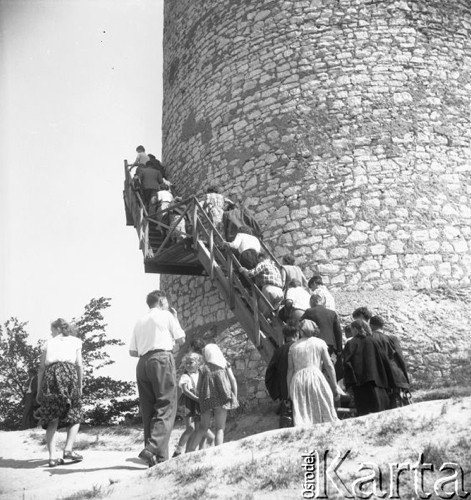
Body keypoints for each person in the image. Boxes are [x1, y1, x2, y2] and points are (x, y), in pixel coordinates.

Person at [129, 290, 186, 466]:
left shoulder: (140, 321)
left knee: (150, 411)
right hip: (161, 359)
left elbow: (132, 351)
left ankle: (157, 460)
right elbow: (181, 339)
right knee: (167, 405)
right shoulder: (166, 315)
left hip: (142, 363)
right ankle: (152, 448)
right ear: (161, 300)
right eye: (166, 301)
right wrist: (174, 318)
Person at [36, 318, 83, 467]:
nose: (51, 333)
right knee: (75, 414)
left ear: (57, 329)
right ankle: (68, 449)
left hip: (51, 377)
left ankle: (52, 458)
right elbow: (79, 365)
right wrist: (80, 385)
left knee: (52, 418)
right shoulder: (76, 341)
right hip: (69, 375)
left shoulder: (48, 343)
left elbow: (42, 368)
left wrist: (39, 390)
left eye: (52, 330)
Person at [287, 319, 339, 426]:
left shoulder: (293, 347)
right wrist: (334, 386)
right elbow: (329, 365)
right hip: (315, 376)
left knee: (303, 411)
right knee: (324, 403)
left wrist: (289, 391)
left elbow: (290, 370)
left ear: (300, 331)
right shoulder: (319, 343)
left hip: (298, 379)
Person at [188, 344, 238, 450]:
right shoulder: (225, 365)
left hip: (206, 400)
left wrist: (200, 399)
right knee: (220, 428)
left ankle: (190, 451)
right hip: (222, 399)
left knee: (202, 428)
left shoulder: (203, 368)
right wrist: (235, 397)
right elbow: (233, 380)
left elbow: (198, 387)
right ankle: (218, 452)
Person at [342, 319, 393, 416]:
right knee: (380, 413)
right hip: (377, 382)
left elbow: (347, 363)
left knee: (364, 414)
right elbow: (384, 359)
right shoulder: (373, 341)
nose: (351, 332)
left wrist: (349, 383)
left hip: (359, 384)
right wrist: (388, 380)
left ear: (356, 329)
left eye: (352, 330)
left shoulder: (351, 343)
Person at [173, 353, 215, 457]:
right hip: (189, 403)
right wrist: (197, 399)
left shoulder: (200, 374)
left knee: (199, 427)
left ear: (198, 363)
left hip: (197, 403)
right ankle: (178, 450)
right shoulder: (185, 376)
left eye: (191, 362)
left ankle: (198, 449)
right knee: (190, 428)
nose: (188, 365)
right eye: (186, 363)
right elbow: (185, 390)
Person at [369, 315, 411, 408]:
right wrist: (406, 379)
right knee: (399, 404)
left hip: (379, 376)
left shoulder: (369, 339)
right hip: (395, 374)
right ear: (382, 325)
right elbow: (400, 358)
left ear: (371, 325)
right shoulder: (391, 338)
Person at [265, 323, 298, 428]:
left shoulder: (279, 351)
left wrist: (277, 393)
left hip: (285, 390)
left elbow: (270, 373)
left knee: (288, 421)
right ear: (297, 334)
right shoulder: (300, 347)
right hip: (301, 384)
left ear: (284, 336)